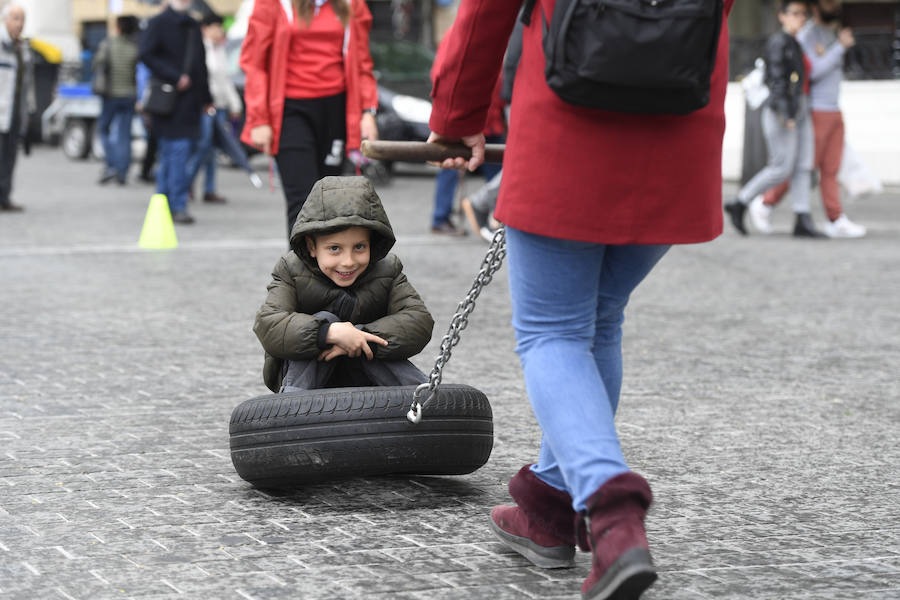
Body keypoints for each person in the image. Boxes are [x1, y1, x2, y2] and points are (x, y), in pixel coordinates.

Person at [426, 0, 733, 598]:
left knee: (553, 331)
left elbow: (487, 11)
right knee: (598, 319)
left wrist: (460, 113)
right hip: (681, 117)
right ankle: (546, 508)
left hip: (571, 121)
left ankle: (613, 510)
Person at [253, 176, 433, 392]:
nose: (348, 261)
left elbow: (418, 320)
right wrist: (329, 333)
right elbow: (269, 323)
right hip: (307, 376)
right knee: (324, 319)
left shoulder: (387, 269)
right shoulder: (291, 270)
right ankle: (293, 405)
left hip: (367, 370)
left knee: (373, 337)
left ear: (372, 243)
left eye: (359, 247)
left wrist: (360, 335)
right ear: (311, 246)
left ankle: (423, 398)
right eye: (334, 249)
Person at [240, 0, 379, 239]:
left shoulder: (351, 4)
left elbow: (362, 63)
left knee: (327, 201)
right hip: (290, 112)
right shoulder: (273, 4)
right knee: (304, 202)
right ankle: (300, 274)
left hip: (335, 110)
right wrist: (259, 118)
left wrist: (368, 111)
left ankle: (325, 272)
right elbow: (254, 62)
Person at [750, 0, 865, 238]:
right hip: (816, 109)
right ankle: (764, 202)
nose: (834, 6)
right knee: (801, 167)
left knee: (829, 167)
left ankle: (834, 218)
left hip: (834, 108)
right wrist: (839, 48)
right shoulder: (806, 35)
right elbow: (811, 71)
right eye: (829, 2)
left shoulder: (830, 32)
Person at [725, 0, 823, 238]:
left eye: (803, 14)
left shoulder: (796, 42)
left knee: (803, 165)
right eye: (795, 13)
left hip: (800, 106)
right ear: (782, 16)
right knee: (781, 166)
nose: (800, 18)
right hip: (783, 109)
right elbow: (777, 78)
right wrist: (785, 112)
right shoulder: (779, 42)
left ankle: (802, 217)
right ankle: (740, 202)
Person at [138, 0, 211, 224]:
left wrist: (207, 99)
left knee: (175, 154)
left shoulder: (192, 25)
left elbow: (201, 64)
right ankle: (175, 204)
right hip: (167, 101)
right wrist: (174, 76)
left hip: (190, 102)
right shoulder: (158, 23)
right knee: (175, 152)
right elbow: (146, 54)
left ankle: (162, 201)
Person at [429, 24, 505, 236]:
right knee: (451, 165)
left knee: (498, 170)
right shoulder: (459, 32)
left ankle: (495, 213)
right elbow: (442, 73)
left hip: (492, 116)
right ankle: (441, 217)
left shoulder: (498, 31)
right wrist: (453, 115)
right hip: (469, 117)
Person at [184, 13, 243, 204]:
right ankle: (185, 183)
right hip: (205, 107)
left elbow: (225, 81)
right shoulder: (200, 49)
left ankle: (209, 189)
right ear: (205, 29)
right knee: (201, 146)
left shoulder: (220, 50)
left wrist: (235, 104)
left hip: (220, 106)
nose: (219, 30)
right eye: (215, 26)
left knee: (213, 151)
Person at [94, 15, 139, 186]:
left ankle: (112, 164)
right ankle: (122, 171)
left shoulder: (108, 44)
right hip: (129, 95)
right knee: (124, 135)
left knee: (103, 129)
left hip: (111, 95)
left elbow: (97, 64)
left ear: (118, 27)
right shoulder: (134, 48)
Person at [0, 3, 34, 213]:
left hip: (14, 111)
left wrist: (30, 110)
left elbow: (28, 83)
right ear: (5, 20)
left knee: (10, 155)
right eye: (15, 18)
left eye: (22, 19)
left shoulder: (23, 48)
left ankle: (4, 196)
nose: (20, 23)